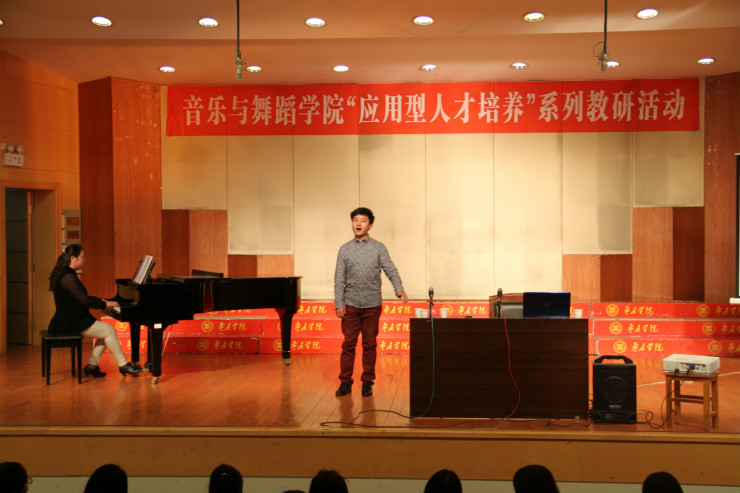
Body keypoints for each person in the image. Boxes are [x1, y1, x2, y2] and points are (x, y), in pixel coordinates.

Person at [334, 207, 407, 397]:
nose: (358, 224)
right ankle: (345, 382)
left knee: (369, 344)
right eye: (355, 220)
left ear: (370, 225)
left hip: (372, 304)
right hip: (350, 304)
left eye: (363, 220)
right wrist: (339, 303)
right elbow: (339, 279)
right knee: (349, 344)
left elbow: (390, 269)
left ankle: (367, 382)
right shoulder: (344, 249)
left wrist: (398, 288)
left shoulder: (378, 247)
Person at [48, 244, 142, 377]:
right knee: (109, 331)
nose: (84, 260)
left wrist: (103, 301)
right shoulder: (68, 276)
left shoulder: (66, 273)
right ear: (73, 258)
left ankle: (92, 366)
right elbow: (84, 300)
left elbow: (81, 297)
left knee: (106, 332)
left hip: (70, 317)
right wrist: (104, 303)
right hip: (71, 321)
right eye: (82, 257)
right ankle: (124, 365)